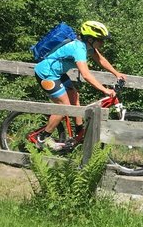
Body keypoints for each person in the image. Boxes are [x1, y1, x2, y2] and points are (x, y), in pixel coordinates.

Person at [30, 20, 126, 149]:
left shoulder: (88, 47)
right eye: (100, 40)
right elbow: (86, 75)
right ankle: (41, 138)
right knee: (64, 106)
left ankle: (79, 133)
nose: (103, 43)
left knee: (75, 98)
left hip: (58, 74)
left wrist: (116, 73)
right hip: (46, 74)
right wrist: (105, 90)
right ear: (90, 39)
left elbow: (101, 60)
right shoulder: (79, 48)